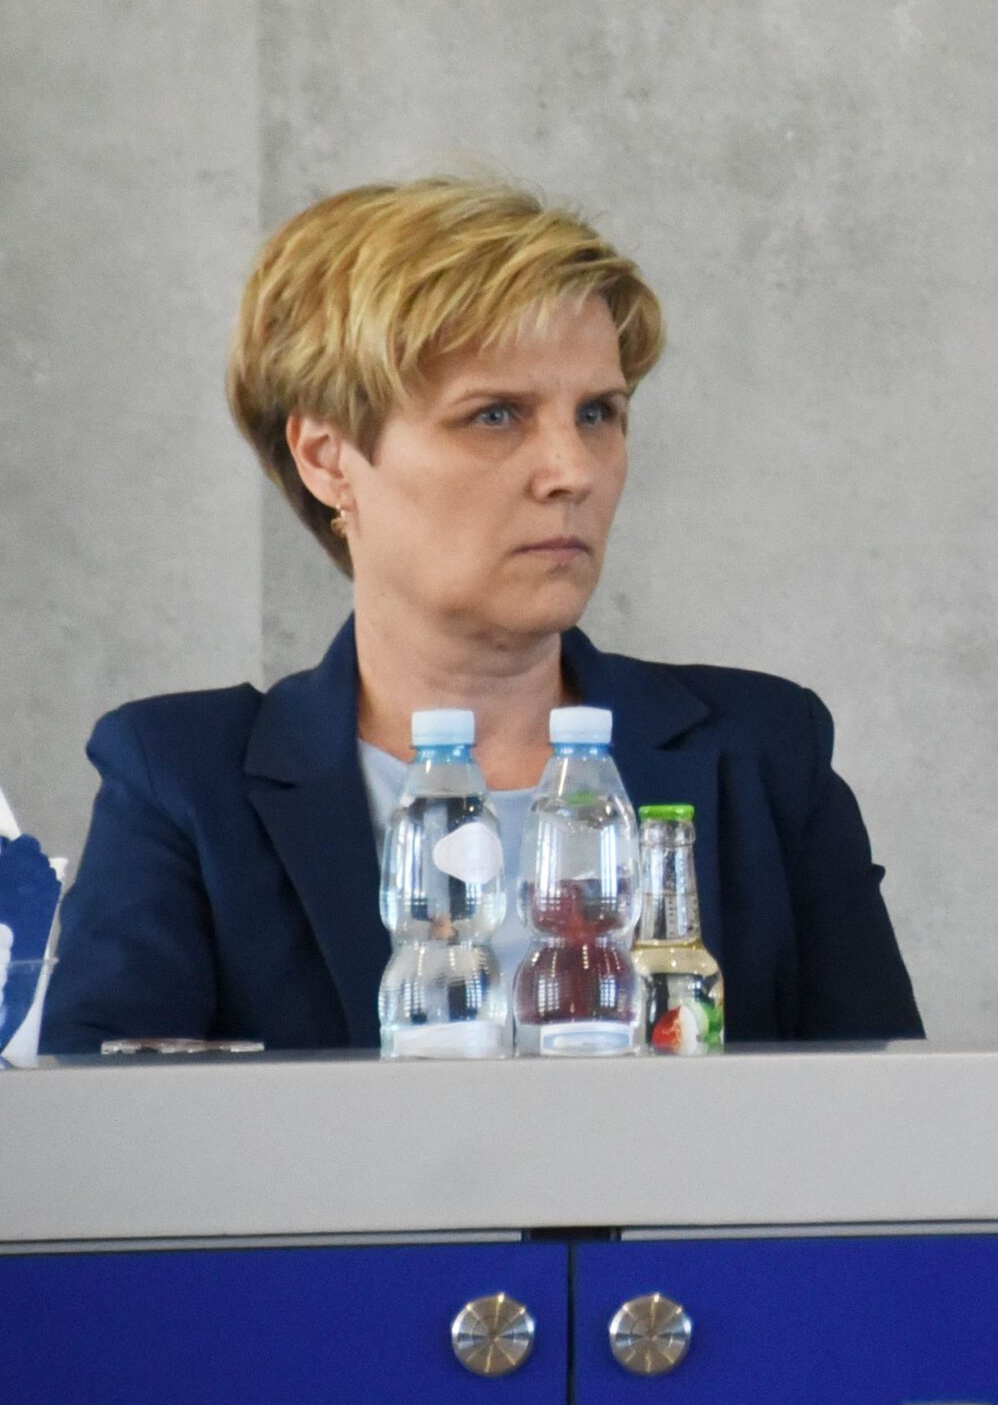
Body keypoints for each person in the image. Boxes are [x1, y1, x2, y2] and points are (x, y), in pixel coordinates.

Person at [47, 176, 922, 1052]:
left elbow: (895, 1117)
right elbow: (114, 1128)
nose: (573, 470)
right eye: (495, 415)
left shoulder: (764, 753)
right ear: (328, 459)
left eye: (598, 413)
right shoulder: (184, 781)